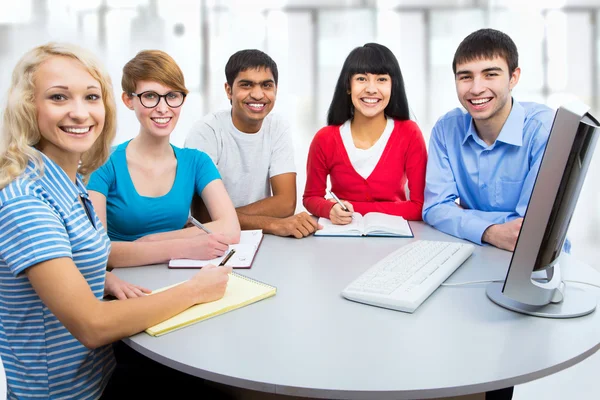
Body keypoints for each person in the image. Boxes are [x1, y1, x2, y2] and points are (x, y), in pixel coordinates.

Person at [0, 43, 232, 399]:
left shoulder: (70, 182)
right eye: (59, 97)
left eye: (91, 97)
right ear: (28, 106)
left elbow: (70, 259)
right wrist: (195, 291)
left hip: (100, 371)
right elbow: (92, 325)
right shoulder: (27, 202)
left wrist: (101, 277)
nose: (80, 113)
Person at [422, 28, 556, 400]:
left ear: (514, 77)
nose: (475, 88)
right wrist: (491, 232)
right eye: (465, 76)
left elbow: (528, 230)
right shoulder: (447, 128)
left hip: (526, 268)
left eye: (490, 74)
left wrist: (469, 220)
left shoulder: (544, 128)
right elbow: (434, 206)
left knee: (498, 367)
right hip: (468, 261)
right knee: (452, 356)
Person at [88, 50, 240, 268]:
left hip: (178, 277)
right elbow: (99, 252)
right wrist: (185, 246)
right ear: (129, 100)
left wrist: (152, 240)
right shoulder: (103, 162)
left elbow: (231, 228)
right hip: (121, 284)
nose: (162, 108)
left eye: (172, 96)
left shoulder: (196, 162)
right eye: (150, 96)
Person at [185, 49, 320, 239]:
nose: (258, 95)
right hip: (212, 240)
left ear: (275, 90)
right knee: (231, 271)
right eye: (246, 85)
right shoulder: (206, 131)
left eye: (266, 85)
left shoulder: (277, 127)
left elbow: (286, 203)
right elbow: (204, 216)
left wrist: (224, 218)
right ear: (228, 90)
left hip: (263, 241)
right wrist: (272, 222)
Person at [303, 43, 427, 224]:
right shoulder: (325, 138)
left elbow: (419, 206)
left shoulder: (409, 133)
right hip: (340, 238)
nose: (371, 88)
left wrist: (353, 209)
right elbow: (311, 197)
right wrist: (330, 209)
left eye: (382, 79)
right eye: (361, 79)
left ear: (393, 86)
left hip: (395, 239)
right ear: (348, 86)